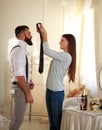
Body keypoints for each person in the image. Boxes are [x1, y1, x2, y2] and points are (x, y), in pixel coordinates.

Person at [37, 25, 76, 130]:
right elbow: (47, 50)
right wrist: (42, 35)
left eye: (62, 40)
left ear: (69, 43)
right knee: (52, 122)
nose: (60, 42)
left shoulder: (67, 56)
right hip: (49, 91)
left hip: (56, 93)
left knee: (57, 123)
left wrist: (45, 34)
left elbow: (47, 51)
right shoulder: (61, 55)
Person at [9, 25, 34, 130]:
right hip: (20, 88)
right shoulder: (19, 50)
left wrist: (29, 80)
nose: (31, 36)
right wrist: (28, 93)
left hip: (20, 86)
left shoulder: (19, 49)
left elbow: (20, 72)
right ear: (23, 35)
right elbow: (19, 75)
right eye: (29, 33)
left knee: (16, 119)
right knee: (17, 120)